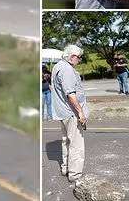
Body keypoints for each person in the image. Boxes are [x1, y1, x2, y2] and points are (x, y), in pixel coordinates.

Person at [51, 45, 89, 182]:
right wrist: (81, 113)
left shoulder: (57, 66)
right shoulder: (67, 69)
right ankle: (75, 174)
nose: (80, 60)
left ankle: (66, 168)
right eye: (79, 57)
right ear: (72, 56)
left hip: (62, 111)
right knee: (76, 145)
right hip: (71, 113)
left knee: (66, 141)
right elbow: (71, 94)